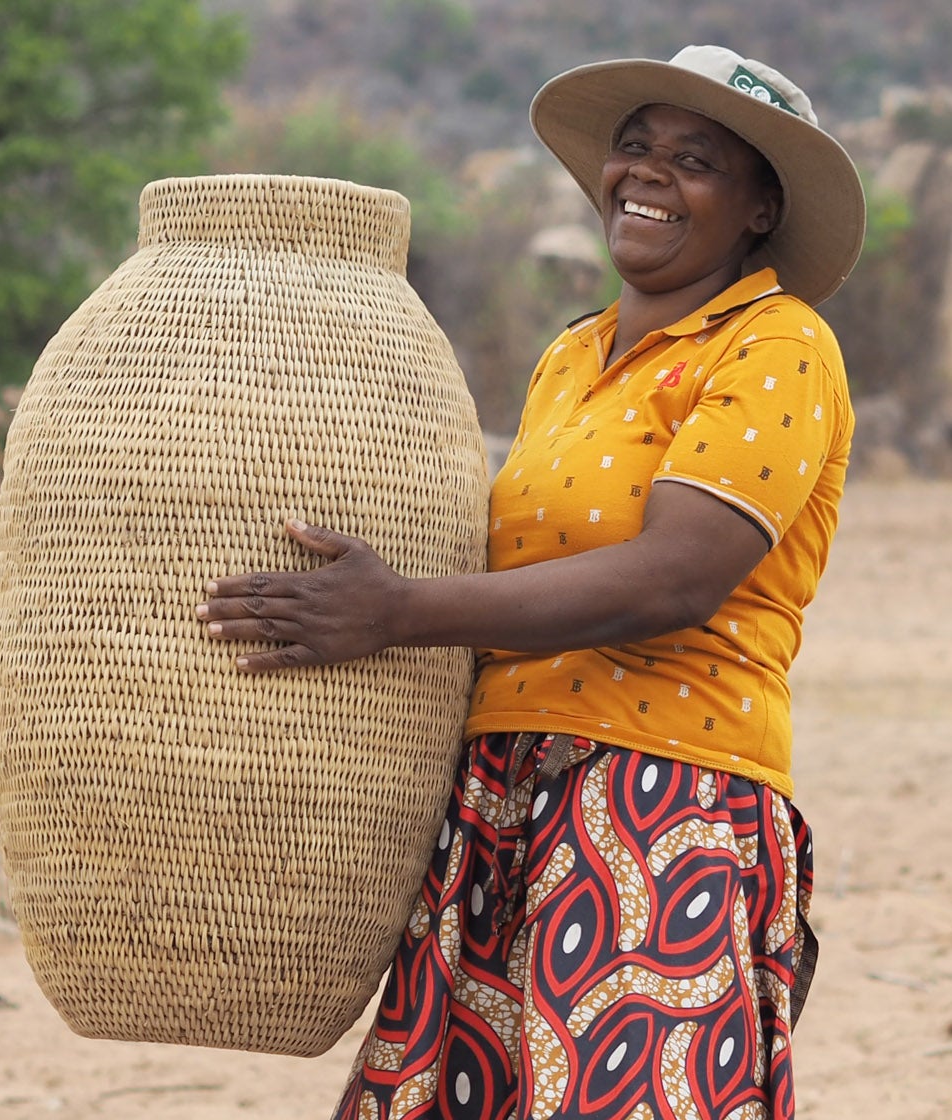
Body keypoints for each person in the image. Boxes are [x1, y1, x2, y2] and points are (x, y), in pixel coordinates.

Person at [197, 45, 866, 1120]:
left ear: (758, 211)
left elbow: (672, 577)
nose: (647, 175)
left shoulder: (776, 344)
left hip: (658, 801)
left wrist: (396, 611)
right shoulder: (572, 356)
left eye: (694, 159)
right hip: (501, 797)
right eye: (635, 148)